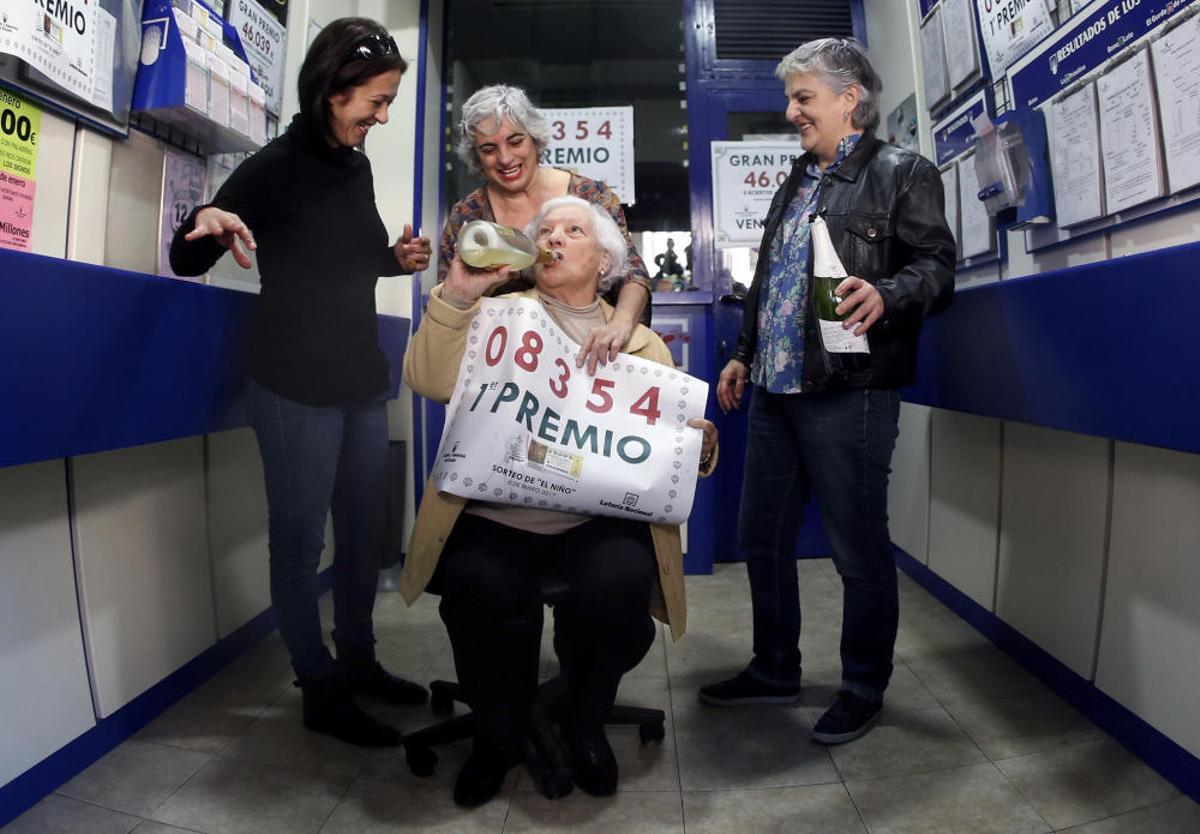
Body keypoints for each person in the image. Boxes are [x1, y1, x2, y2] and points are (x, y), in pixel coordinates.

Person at [401, 196, 718, 807]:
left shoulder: (644, 344)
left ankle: (585, 722)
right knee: (477, 588)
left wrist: (699, 446)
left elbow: (664, 456)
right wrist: (459, 294)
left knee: (622, 583)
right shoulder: (497, 314)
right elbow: (429, 381)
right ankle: (497, 739)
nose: (554, 238)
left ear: (604, 260)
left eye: (573, 230)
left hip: (593, 522)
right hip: (495, 515)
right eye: (545, 230)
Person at [170, 17, 434, 748]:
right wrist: (204, 220)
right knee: (298, 544)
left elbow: (348, 256)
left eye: (387, 104)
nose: (381, 118)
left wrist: (395, 259)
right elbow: (187, 258)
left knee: (361, 535)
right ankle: (317, 686)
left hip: (357, 378)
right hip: (292, 386)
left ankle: (358, 662)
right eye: (374, 102)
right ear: (331, 89)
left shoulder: (355, 165)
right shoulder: (274, 165)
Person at [698, 38, 955, 744]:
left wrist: (891, 291)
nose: (791, 111)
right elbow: (772, 283)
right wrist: (745, 353)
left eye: (804, 98)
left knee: (856, 549)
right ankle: (775, 668)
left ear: (851, 98)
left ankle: (862, 686)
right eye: (792, 99)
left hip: (853, 390)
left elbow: (938, 266)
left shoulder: (902, 172)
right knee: (761, 537)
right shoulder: (797, 179)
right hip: (777, 389)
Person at [440, 84, 652, 375]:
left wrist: (621, 324)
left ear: (535, 140)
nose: (505, 158)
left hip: (594, 356)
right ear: (476, 157)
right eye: (489, 149)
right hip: (510, 368)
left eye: (515, 141)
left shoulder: (590, 195)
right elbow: (453, 299)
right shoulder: (469, 216)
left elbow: (633, 272)